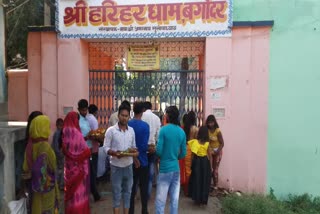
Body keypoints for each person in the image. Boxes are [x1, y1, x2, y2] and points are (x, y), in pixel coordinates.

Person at [103, 104, 139, 214]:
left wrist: (135, 155)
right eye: (122, 115)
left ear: (129, 117)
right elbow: (105, 147)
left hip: (128, 166)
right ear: (118, 116)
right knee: (117, 194)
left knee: (128, 193)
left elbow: (133, 147)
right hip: (116, 167)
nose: (124, 118)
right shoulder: (111, 131)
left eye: (126, 116)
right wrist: (114, 153)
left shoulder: (131, 131)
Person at [22, 115, 59, 214]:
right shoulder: (45, 146)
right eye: (47, 127)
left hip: (34, 188)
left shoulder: (30, 145)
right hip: (46, 189)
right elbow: (52, 165)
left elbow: (25, 167)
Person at [155, 106, 186, 214]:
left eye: (165, 114)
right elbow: (183, 153)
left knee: (160, 200)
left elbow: (158, 151)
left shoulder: (163, 130)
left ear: (168, 116)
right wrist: (174, 157)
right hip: (176, 169)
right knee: (174, 200)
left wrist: (163, 156)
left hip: (164, 169)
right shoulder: (181, 132)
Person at [62, 111, 91, 214]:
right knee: (79, 194)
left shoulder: (64, 133)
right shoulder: (77, 134)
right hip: (79, 171)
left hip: (69, 171)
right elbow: (86, 151)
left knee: (70, 194)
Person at [128, 101, 150, 214]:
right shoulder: (145, 126)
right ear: (142, 111)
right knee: (144, 188)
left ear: (133, 110)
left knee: (131, 188)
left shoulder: (128, 124)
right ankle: (144, 210)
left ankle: (130, 211)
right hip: (143, 161)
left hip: (130, 160)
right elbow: (144, 145)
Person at [78, 99, 101, 202]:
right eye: (82, 110)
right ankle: (92, 195)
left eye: (85, 110)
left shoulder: (86, 120)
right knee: (89, 173)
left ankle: (92, 195)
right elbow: (78, 137)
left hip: (89, 150)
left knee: (90, 173)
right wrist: (87, 136)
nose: (84, 112)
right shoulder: (78, 121)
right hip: (82, 150)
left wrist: (91, 134)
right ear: (78, 109)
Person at [188, 126, 212, 206]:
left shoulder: (195, 142)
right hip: (205, 162)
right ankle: (203, 199)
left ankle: (196, 198)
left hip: (197, 162)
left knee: (197, 180)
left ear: (199, 133)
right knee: (204, 180)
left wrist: (191, 164)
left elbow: (192, 155)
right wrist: (211, 167)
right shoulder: (207, 144)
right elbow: (210, 155)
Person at [141, 101, 161, 199]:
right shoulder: (156, 118)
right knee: (151, 170)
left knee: (140, 170)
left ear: (143, 108)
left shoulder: (140, 116)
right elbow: (158, 135)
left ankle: (139, 192)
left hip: (142, 147)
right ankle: (147, 194)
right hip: (152, 147)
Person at [181, 111, 199, 196]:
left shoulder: (183, 128)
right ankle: (190, 190)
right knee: (191, 170)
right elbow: (197, 141)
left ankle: (185, 190)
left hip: (184, 149)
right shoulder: (195, 129)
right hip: (193, 150)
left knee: (185, 169)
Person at [206, 114, 225, 191]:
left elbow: (222, 143)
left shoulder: (218, 131)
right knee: (210, 169)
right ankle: (210, 186)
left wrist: (218, 151)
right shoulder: (207, 130)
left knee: (215, 170)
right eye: (209, 122)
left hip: (217, 152)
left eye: (211, 122)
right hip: (210, 152)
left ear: (214, 122)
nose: (210, 124)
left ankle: (216, 187)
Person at [87, 104, 101, 193]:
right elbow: (96, 134)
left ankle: (88, 187)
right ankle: (94, 189)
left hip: (86, 148)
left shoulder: (85, 119)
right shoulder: (93, 120)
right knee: (93, 169)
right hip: (94, 148)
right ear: (96, 111)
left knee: (88, 169)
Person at [51, 118, 64, 190]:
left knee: (60, 169)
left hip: (58, 153)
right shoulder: (57, 133)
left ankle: (59, 184)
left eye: (62, 125)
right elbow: (56, 145)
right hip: (58, 154)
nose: (61, 127)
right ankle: (59, 185)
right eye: (60, 125)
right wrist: (59, 154)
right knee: (59, 169)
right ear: (56, 125)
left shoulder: (59, 132)